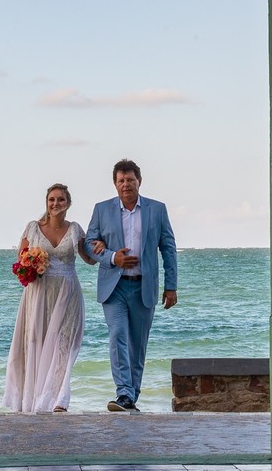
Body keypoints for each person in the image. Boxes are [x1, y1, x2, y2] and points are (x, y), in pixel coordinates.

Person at [85, 158, 177, 413]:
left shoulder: (157, 210)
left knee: (138, 344)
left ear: (139, 181)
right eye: (121, 181)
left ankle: (131, 396)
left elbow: (168, 248)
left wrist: (171, 286)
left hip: (143, 287)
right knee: (118, 337)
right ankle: (124, 392)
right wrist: (113, 256)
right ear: (115, 184)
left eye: (130, 180)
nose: (126, 185)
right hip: (113, 288)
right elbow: (89, 243)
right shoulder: (102, 210)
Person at [2, 182, 98, 413]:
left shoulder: (75, 229)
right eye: (52, 200)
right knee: (35, 342)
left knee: (64, 343)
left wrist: (102, 247)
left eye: (60, 200)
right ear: (46, 203)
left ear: (68, 203)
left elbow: (89, 259)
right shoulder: (33, 228)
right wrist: (32, 265)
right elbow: (20, 262)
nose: (56, 204)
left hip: (68, 292)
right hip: (38, 293)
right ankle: (33, 399)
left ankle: (58, 399)